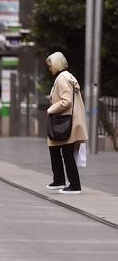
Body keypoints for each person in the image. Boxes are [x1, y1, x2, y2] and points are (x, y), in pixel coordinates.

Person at [45, 52, 88, 194]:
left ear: (56, 64)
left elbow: (66, 101)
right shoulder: (67, 76)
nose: (49, 68)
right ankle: (59, 180)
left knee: (66, 152)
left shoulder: (62, 78)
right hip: (71, 120)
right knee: (56, 148)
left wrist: (51, 109)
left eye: (50, 65)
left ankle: (74, 185)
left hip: (66, 121)